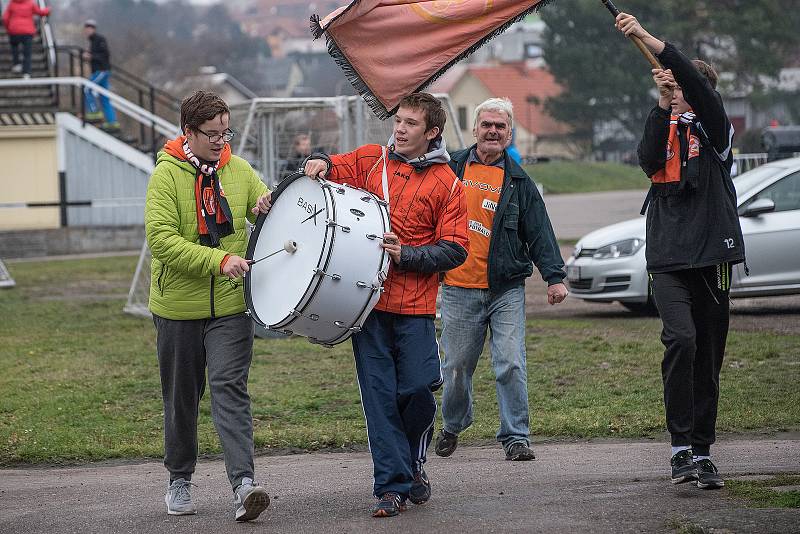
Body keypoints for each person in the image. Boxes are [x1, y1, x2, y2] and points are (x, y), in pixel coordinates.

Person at [303, 92, 469, 518]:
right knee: (379, 398)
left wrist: (407, 255)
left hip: (415, 308)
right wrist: (319, 160)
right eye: (398, 120)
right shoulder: (372, 161)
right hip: (367, 305)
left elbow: (455, 250)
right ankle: (391, 488)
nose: (400, 128)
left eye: (411, 123)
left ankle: (414, 461)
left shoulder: (449, 183)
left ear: (432, 132)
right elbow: (333, 166)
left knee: (416, 390)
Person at [616, 12, 745, 490]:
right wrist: (662, 104)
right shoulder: (665, 122)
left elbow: (696, 84)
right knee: (682, 340)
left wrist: (645, 37)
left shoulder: (716, 129)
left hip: (712, 257)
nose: (679, 92)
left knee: (708, 353)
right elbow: (648, 159)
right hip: (668, 257)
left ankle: (704, 451)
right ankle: (680, 448)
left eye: (684, 87)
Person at [145, 90, 273, 521]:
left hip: (231, 309)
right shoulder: (165, 176)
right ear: (188, 132)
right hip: (177, 309)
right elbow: (161, 242)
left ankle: (245, 486)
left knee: (229, 389)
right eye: (212, 134)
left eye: (226, 132)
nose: (222, 141)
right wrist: (220, 260)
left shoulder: (239, 170)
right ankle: (179, 477)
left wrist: (264, 206)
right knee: (182, 398)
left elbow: (264, 208)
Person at [435, 97, 568, 462]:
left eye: (500, 126)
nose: (493, 131)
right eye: (487, 125)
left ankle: (515, 437)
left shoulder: (519, 180)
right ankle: (453, 424)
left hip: (505, 288)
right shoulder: (451, 169)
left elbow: (540, 231)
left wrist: (554, 277)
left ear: (509, 133)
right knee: (457, 366)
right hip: (459, 287)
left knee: (510, 362)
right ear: (475, 129)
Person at [82, 19, 119, 131]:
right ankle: (112, 122)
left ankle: (94, 112)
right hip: (98, 71)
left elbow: (105, 55)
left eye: (89, 28)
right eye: (86, 29)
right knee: (104, 98)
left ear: (93, 29)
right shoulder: (92, 41)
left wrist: (91, 56)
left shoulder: (99, 39)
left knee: (87, 88)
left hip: (101, 71)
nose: (87, 31)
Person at [2, 0, 50, 79]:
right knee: (27, 53)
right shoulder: (30, 3)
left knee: (14, 47)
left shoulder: (12, 4)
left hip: (14, 30)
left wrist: (8, 28)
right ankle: (26, 72)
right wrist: (48, 10)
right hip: (27, 31)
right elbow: (40, 12)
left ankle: (16, 64)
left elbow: (5, 18)